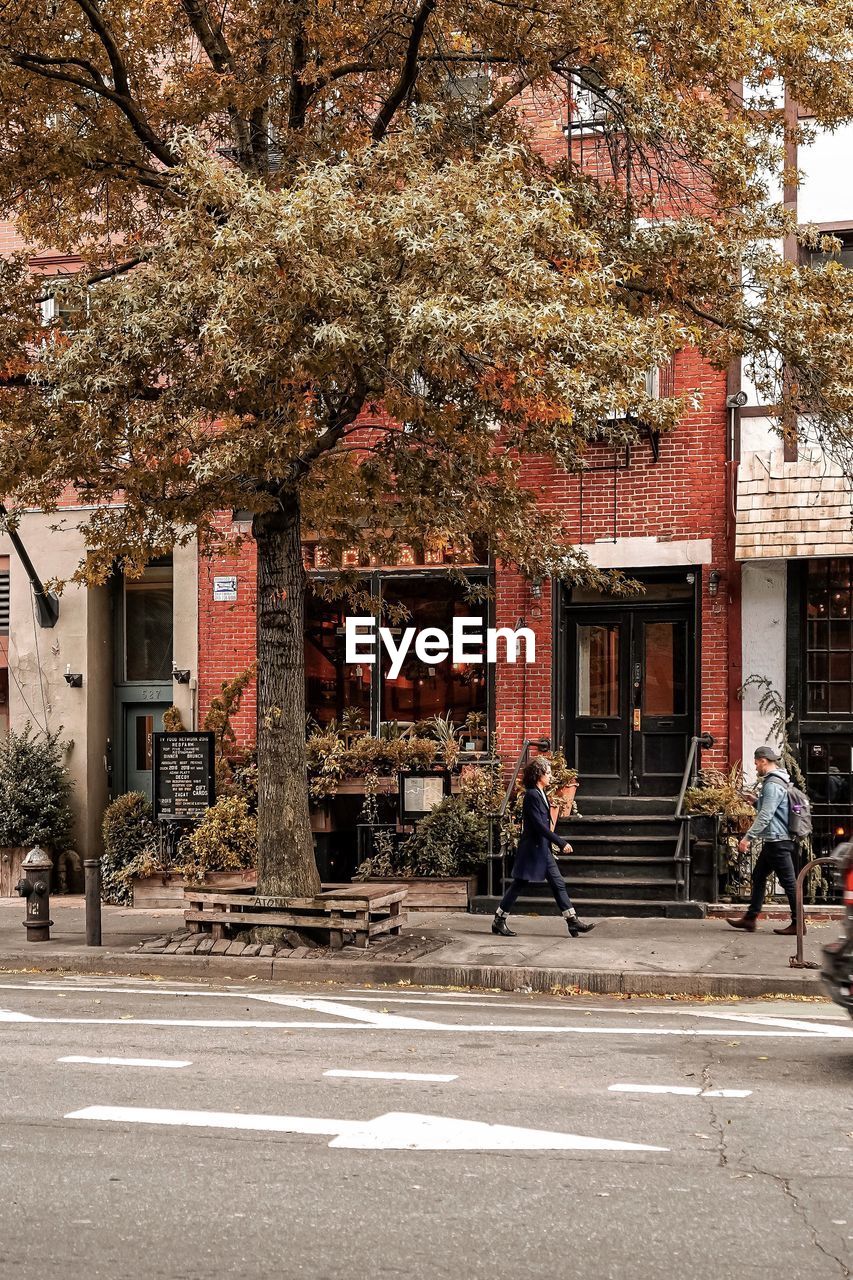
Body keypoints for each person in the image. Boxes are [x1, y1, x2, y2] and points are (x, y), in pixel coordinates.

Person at [492, 754, 594, 938]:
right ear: (539, 774)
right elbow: (539, 826)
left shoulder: (541, 794)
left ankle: (572, 921)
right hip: (532, 849)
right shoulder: (532, 795)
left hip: (542, 848)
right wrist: (561, 842)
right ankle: (499, 920)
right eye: (547, 772)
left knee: (558, 883)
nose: (550, 775)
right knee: (519, 884)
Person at [727, 745, 802, 937]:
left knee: (790, 884)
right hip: (774, 840)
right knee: (758, 876)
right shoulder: (778, 781)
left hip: (778, 840)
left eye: (756, 763)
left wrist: (747, 838)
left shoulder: (772, 784)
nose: (755, 767)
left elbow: (766, 816)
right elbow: (772, 809)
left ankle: (798, 924)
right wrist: (755, 801)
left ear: (763, 761)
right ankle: (750, 919)